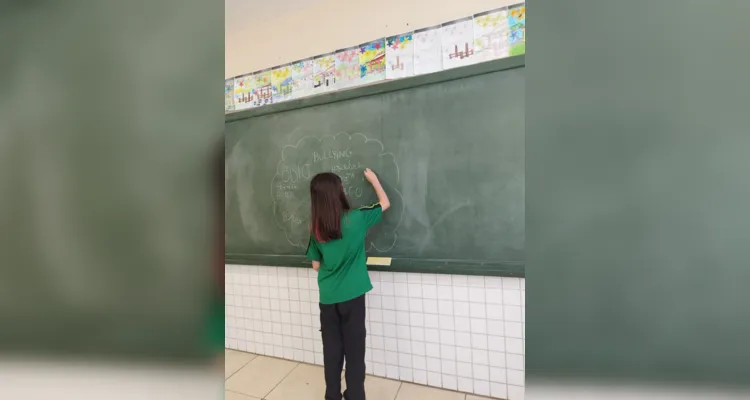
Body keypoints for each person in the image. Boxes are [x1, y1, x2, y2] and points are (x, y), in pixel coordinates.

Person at [306, 168, 390, 400]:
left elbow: (315, 265)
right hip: (353, 297)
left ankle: (332, 395)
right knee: (354, 351)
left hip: (328, 297)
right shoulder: (357, 218)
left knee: (332, 351)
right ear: (338, 192)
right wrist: (374, 179)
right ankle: (355, 395)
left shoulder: (316, 229)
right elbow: (385, 203)